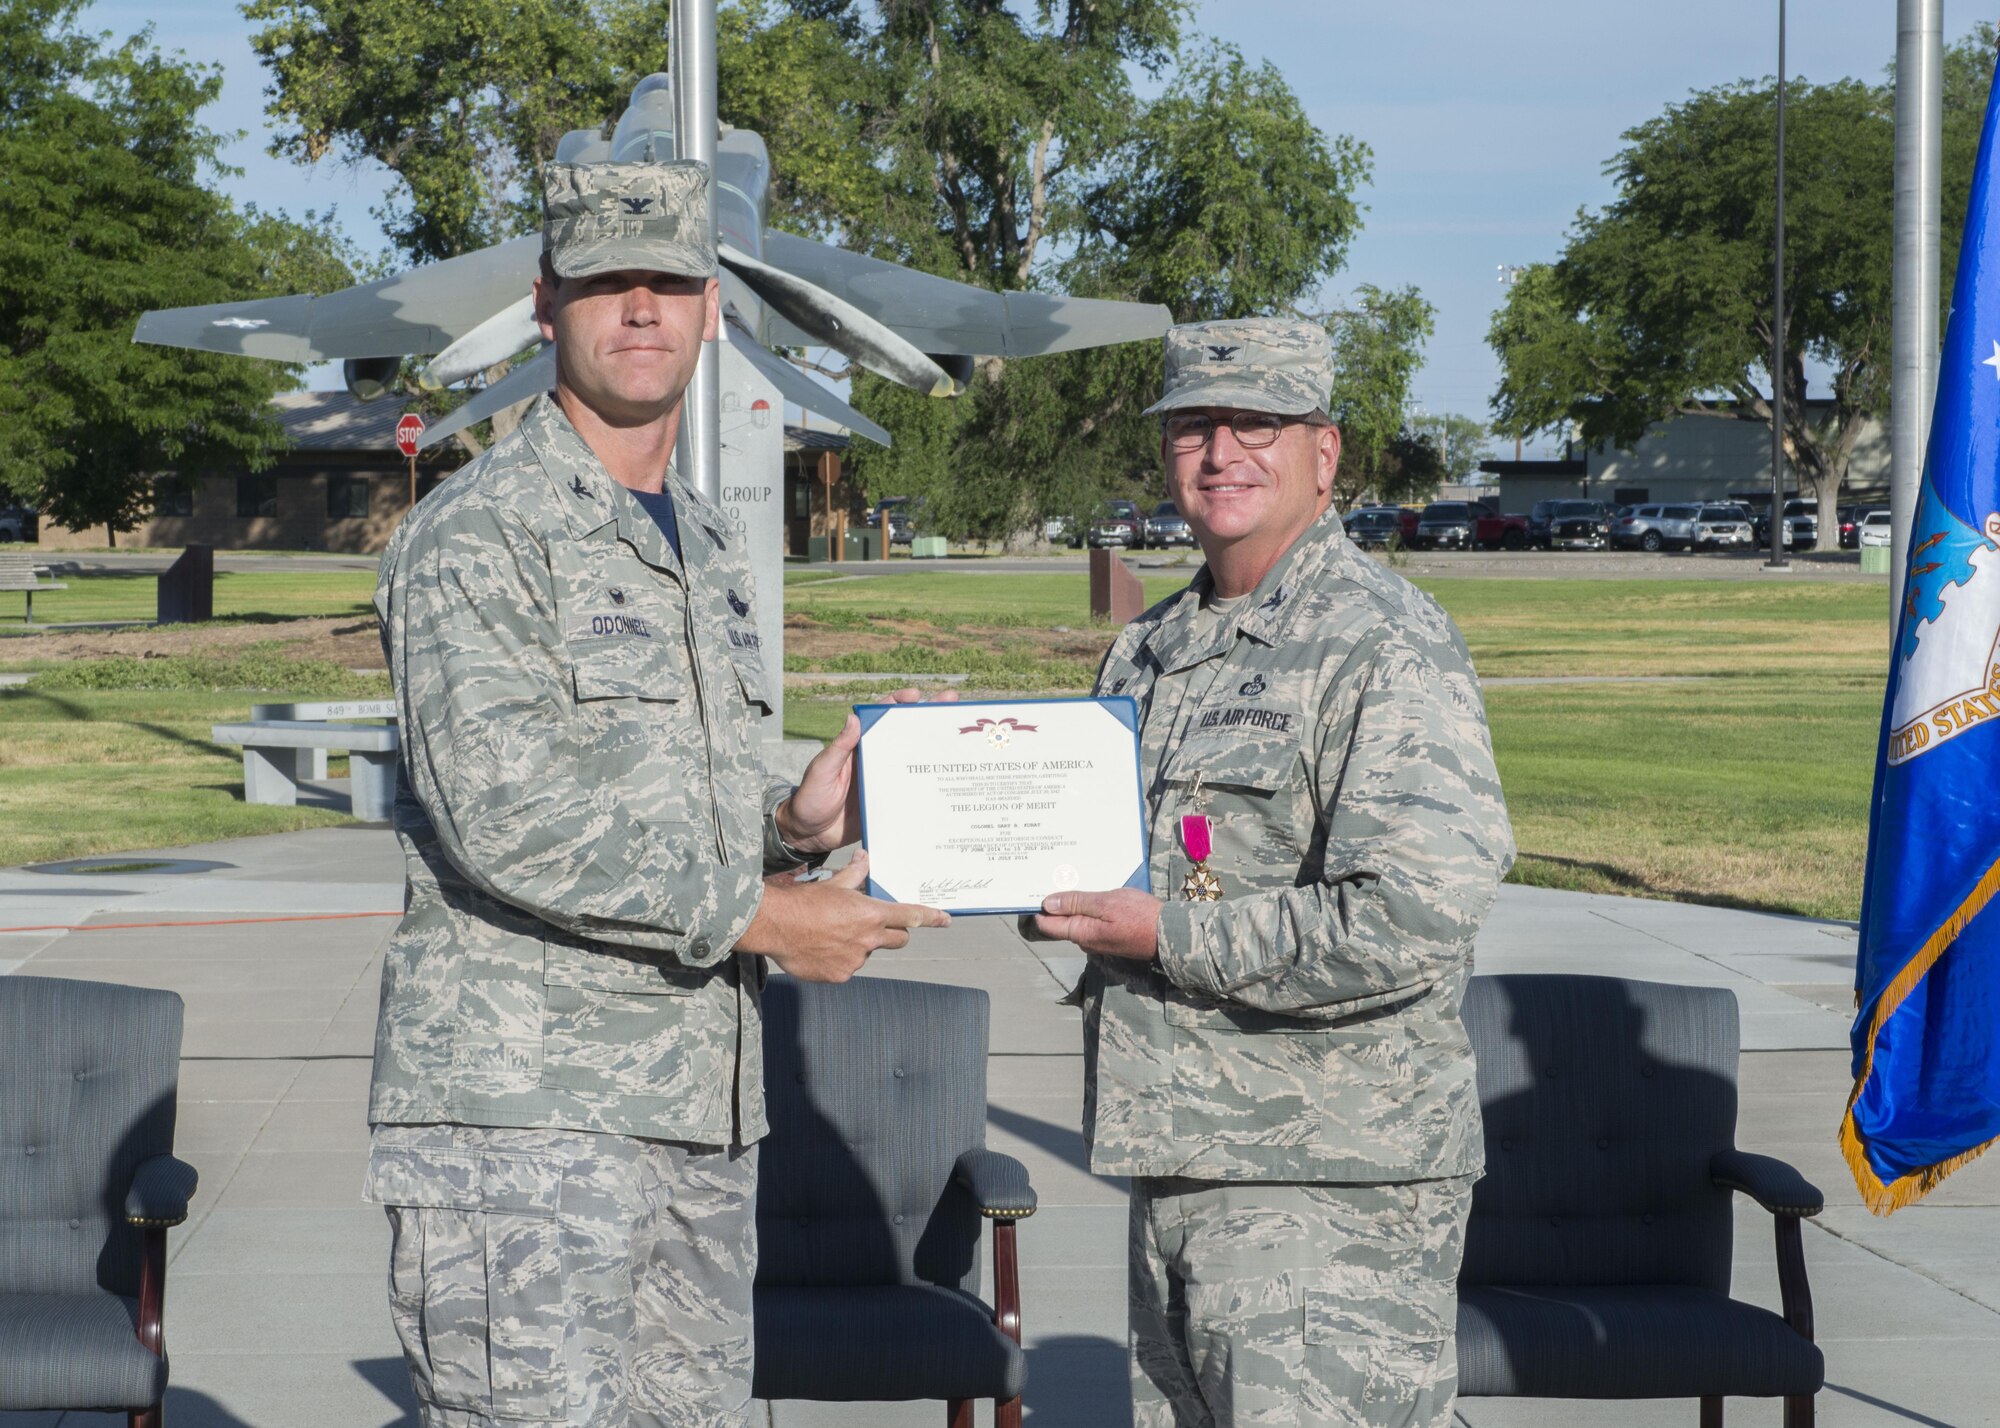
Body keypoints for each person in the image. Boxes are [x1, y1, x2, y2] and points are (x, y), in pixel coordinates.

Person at [363, 157, 948, 1428]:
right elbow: (505, 819)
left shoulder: (703, 539)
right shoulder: (482, 532)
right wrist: (763, 918)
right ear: (545, 305)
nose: (640, 310)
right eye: (603, 284)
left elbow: (660, 803)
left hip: (696, 1109)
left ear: (712, 309)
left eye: (667, 283)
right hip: (524, 1126)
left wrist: (791, 826)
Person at [1035, 317, 1515, 1428]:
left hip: (1325, 1185)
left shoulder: (1382, 642)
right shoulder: (1150, 651)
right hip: (1175, 1159)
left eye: (1257, 423)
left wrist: (1163, 935)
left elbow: (1410, 916)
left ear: (1324, 452)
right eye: (1193, 427)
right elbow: (1119, 863)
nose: (1220, 454)